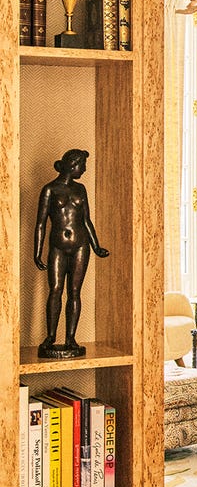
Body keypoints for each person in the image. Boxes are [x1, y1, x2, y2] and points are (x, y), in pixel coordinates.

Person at [34, 149, 110, 358]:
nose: (83, 170)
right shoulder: (50, 189)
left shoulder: (80, 189)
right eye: (82, 165)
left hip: (80, 245)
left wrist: (96, 246)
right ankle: (50, 337)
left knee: (75, 292)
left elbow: (86, 220)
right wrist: (37, 252)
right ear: (72, 165)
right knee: (55, 290)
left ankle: (71, 338)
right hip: (58, 246)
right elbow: (40, 223)